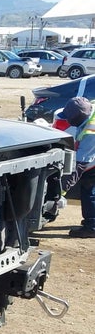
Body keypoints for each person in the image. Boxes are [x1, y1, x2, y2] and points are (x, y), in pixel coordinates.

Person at [59, 97, 95, 238]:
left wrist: (61, 190)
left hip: (89, 157)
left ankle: (92, 227)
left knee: (89, 189)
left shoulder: (91, 133)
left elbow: (79, 165)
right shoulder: (90, 110)